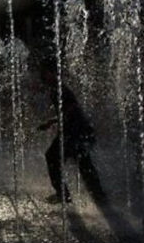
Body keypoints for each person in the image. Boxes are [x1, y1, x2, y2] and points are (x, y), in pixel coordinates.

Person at [37, 67, 106, 205]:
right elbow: (70, 109)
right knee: (83, 161)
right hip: (78, 130)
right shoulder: (57, 88)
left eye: (46, 72)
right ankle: (99, 196)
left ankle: (63, 194)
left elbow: (72, 108)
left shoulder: (59, 89)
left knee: (52, 156)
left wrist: (59, 121)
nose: (43, 76)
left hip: (74, 131)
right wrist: (52, 122)